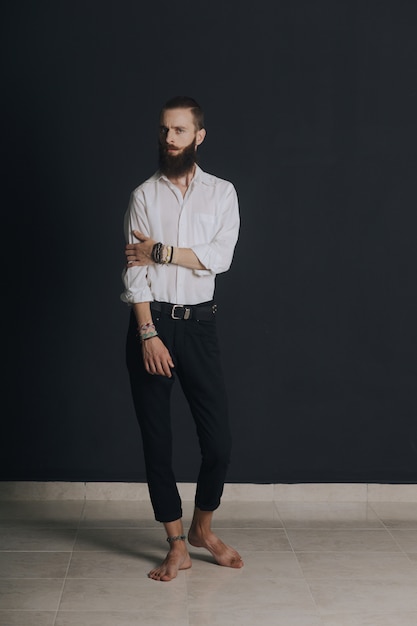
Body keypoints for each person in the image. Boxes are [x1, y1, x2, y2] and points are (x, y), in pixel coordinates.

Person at [121, 95, 242, 581]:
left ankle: (202, 528)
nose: (169, 139)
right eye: (164, 130)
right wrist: (148, 333)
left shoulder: (223, 193)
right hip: (152, 326)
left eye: (179, 131)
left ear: (199, 136)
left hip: (200, 325)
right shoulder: (143, 196)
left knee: (219, 443)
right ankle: (176, 543)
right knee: (158, 442)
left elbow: (221, 257)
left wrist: (163, 251)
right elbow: (135, 275)